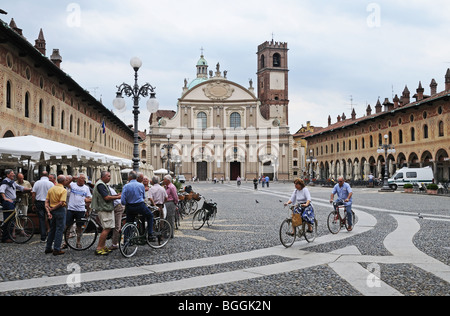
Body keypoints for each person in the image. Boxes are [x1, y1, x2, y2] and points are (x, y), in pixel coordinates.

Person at [91, 171, 121, 256]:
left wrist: (116, 196)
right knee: (107, 228)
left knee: (107, 228)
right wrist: (118, 197)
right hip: (104, 209)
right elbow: (106, 197)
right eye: (108, 176)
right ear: (103, 177)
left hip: (106, 209)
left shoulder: (102, 184)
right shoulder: (101, 185)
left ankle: (103, 246)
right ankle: (99, 248)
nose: (110, 177)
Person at [0, 170, 32, 243]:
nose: (14, 174)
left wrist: (30, 189)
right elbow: (1, 190)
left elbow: (21, 188)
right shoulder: (5, 182)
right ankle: (5, 238)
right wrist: (5, 198)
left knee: (12, 219)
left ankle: (9, 236)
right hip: (8, 203)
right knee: (8, 220)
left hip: (12, 202)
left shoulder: (12, 182)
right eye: (12, 173)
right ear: (8, 175)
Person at [121, 171, 154, 241]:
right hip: (140, 205)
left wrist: (127, 203)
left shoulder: (126, 186)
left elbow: (123, 201)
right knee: (150, 216)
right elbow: (143, 197)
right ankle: (150, 234)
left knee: (129, 222)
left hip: (130, 206)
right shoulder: (141, 185)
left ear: (129, 177)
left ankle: (127, 239)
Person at [64, 174, 92, 249]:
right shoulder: (73, 184)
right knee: (67, 226)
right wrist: (72, 178)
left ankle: (78, 242)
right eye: (82, 178)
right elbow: (65, 184)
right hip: (71, 208)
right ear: (78, 179)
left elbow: (89, 198)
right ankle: (65, 242)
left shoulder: (86, 188)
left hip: (81, 209)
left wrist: (87, 209)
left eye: (84, 178)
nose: (84, 180)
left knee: (79, 227)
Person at [44, 175, 67, 256]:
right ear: (64, 181)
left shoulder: (51, 189)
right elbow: (61, 203)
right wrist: (53, 209)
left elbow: (46, 201)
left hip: (52, 210)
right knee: (59, 230)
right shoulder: (63, 190)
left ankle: (48, 247)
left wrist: (48, 211)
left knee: (52, 229)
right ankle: (57, 249)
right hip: (59, 210)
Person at [32, 171, 54, 242]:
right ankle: (51, 237)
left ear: (41, 175)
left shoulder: (37, 183)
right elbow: (53, 194)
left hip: (39, 202)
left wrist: (33, 203)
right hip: (48, 202)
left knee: (41, 220)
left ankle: (43, 238)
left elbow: (33, 194)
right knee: (50, 219)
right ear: (47, 176)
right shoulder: (51, 183)